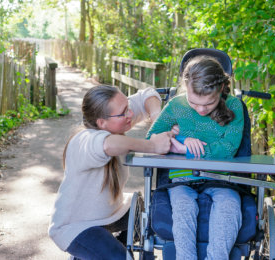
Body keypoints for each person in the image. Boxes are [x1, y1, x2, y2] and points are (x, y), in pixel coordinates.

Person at [48, 85, 173, 260]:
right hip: (76, 227)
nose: (130, 114)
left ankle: (109, 248)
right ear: (101, 123)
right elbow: (108, 144)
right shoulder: (83, 140)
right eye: (124, 112)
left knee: (157, 216)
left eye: (128, 108)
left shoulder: (117, 117)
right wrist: (153, 145)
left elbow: (148, 94)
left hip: (110, 214)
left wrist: (156, 119)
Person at [146, 55, 244, 260]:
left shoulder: (234, 106)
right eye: (194, 102)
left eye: (209, 104)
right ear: (185, 89)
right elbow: (151, 139)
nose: (201, 110)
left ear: (220, 90)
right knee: (183, 209)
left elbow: (228, 149)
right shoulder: (176, 105)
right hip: (182, 177)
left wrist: (184, 149)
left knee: (229, 207)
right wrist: (181, 137)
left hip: (221, 179)